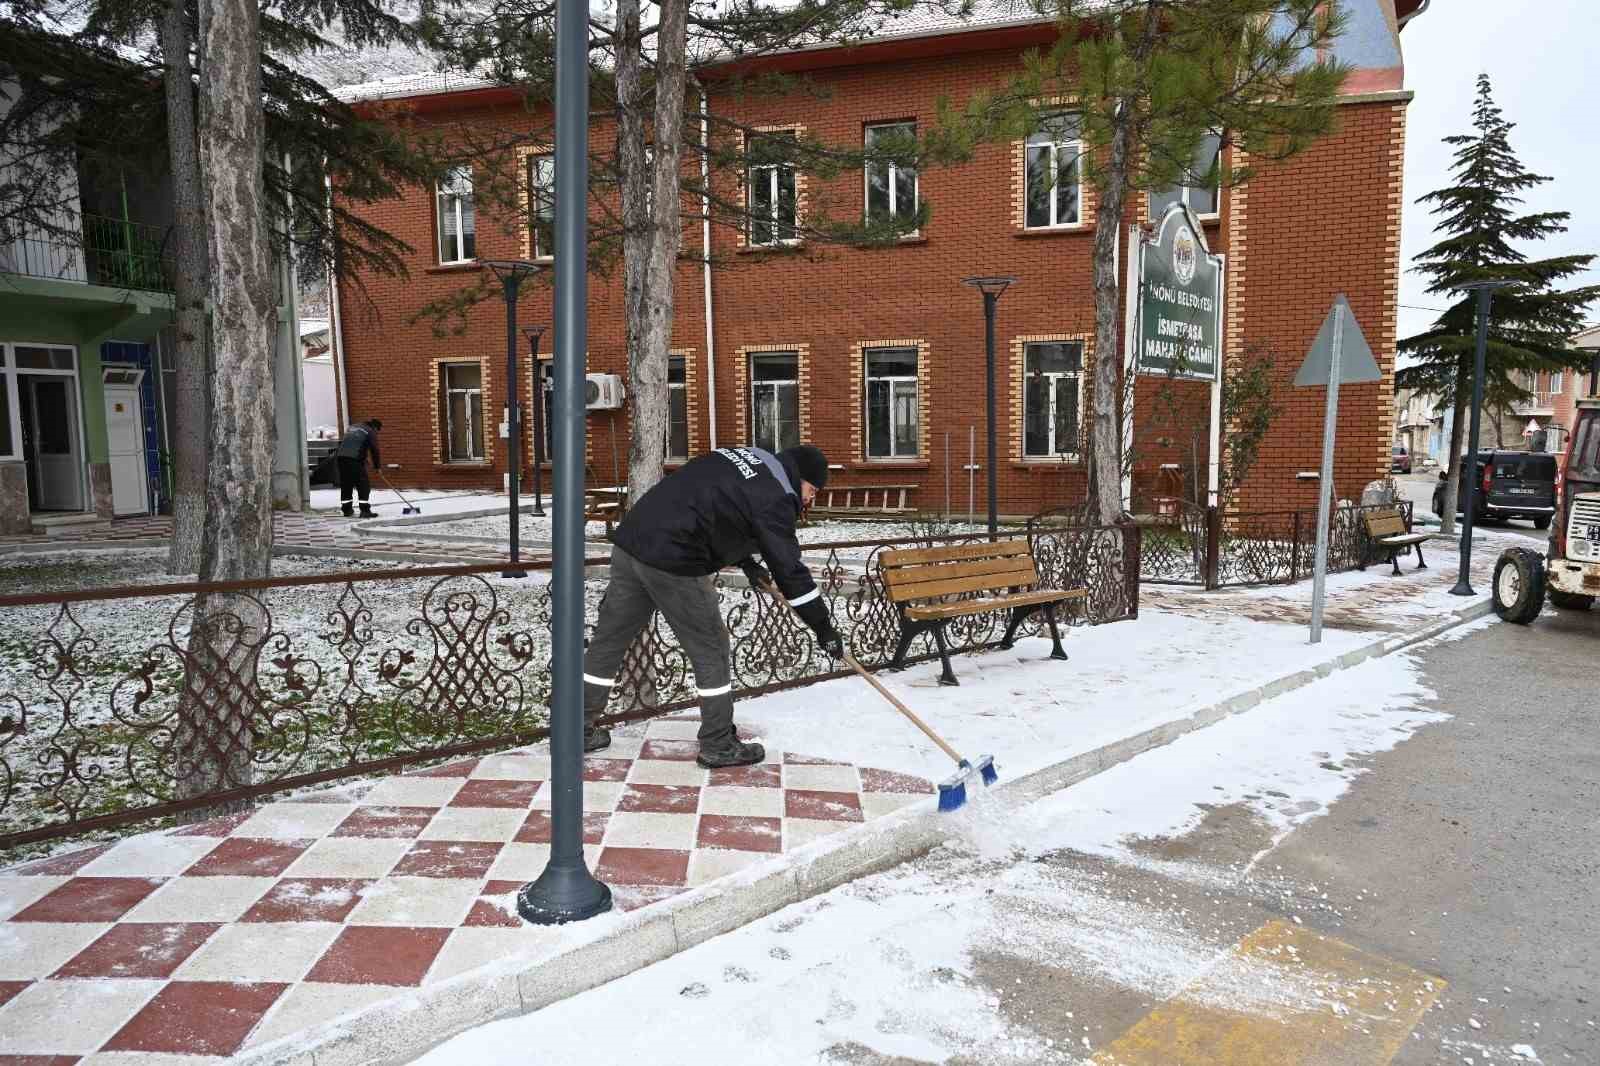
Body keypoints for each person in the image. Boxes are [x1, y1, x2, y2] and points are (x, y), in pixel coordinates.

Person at [582, 444, 844, 767]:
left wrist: (747, 563)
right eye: (812, 489)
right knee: (713, 648)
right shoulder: (777, 496)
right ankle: (718, 742)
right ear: (799, 477)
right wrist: (823, 626)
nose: (810, 499)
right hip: (674, 557)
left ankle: (577, 727)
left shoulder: (750, 458)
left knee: (610, 640)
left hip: (633, 542)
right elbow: (791, 573)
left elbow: (720, 509)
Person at [335, 418, 382, 517]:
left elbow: (353, 443)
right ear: (375, 427)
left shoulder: (353, 427)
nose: (377, 433)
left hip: (341, 457)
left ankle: (346, 510)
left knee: (346, 484)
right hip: (354, 460)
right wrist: (377, 467)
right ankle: (365, 511)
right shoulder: (370, 431)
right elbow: (374, 450)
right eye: (378, 431)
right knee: (363, 485)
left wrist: (363, 458)